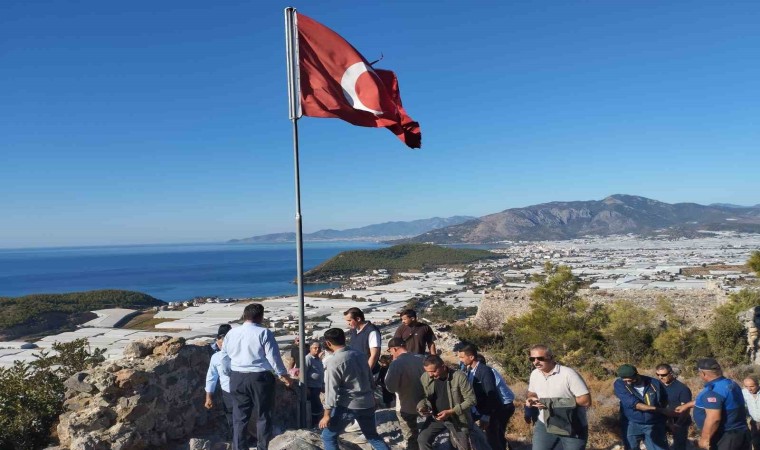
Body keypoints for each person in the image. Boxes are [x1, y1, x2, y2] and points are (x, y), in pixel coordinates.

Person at [221, 303, 292, 450]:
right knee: (263, 415)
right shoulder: (264, 333)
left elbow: (225, 357)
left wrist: (229, 373)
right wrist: (283, 375)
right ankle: (262, 447)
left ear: (244, 315)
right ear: (261, 316)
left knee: (239, 417)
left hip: (237, 377)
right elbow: (273, 358)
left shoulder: (231, 333)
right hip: (260, 377)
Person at [319, 328, 389, 450]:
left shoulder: (334, 362)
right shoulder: (359, 354)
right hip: (367, 402)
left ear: (328, 343)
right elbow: (369, 377)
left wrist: (327, 414)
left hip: (348, 405)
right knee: (372, 436)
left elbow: (331, 390)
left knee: (328, 436)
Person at [526, 344, 591, 450]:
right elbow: (531, 393)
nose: (536, 362)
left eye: (540, 358)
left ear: (551, 357)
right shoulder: (535, 374)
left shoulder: (568, 374)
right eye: (532, 359)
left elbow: (585, 400)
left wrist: (552, 403)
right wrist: (531, 399)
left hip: (571, 425)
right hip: (545, 424)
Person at [675, 358, 750, 450]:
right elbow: (719, 403)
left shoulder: (713, 391)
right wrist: (687, 405)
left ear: (703, 373)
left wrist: (704, 439)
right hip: (741, 432)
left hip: (725, 437)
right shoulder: (730, 384)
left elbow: (714, 419)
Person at [417, 354, 478, 450]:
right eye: (427, 371)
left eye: (433, 371)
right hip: (436, 418)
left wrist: (450, 412)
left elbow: (471, 400)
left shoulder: (459, 377)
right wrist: (421, 407)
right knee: (422, 439)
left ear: (443, 366)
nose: (430, 375)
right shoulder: (425, 377)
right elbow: (424, 396)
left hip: (457, 419)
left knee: (462, 446)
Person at [457, 344, 506, 450]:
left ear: (471, 357)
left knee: (493, 440)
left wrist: (486, 416)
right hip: (478, 410)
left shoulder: (485, 371)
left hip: (490, 411)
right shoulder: (470, 370)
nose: (460, 360)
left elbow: (491, 394)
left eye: (462, 357)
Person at [613, 364, 670, 450]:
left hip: (653, 423)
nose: (628, 382)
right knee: (631, 447)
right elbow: (634, 404)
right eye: (625, 380)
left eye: (629, 380)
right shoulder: (620, 384)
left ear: (636, 375)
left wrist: (664, 419)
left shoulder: (654, 383)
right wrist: (659, 410)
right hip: (632, 423)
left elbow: (664, 400)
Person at [384, 337, 425, 450]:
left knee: (410, 435)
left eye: (390, 351)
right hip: (424, 402)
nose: (391, 353)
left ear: (394, 349)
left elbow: (391, 387)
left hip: (405, 404)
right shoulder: (421, 358)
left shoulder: (396, 363)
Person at [480, 354, 516, 450]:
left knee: (494, 432)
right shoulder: (490, 371)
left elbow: (491, 393)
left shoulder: (487, 373)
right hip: (505, 403)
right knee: (498, 432)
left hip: (503, 405)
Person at [204, 325, 233, 438]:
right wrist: (208, 397)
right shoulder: (216, 357)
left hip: (243, 390)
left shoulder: (240, 353)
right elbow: (211, 377)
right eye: (220, 340)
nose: (221, 344)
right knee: (232, 418)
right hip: (228, 392)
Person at [655, 364, 692, 450]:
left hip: (679, 421)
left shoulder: (682, 389)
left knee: (679, 446)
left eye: (663, 375)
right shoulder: (657, 386)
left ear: (671, 373)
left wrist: (677, 424)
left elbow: (686, 409)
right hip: (662, 420)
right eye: (658, 375)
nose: (660, 377)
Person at [344, 307, 382, 372]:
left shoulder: (372, 332)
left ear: (358, 319)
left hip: (369, 373)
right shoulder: (354, 331)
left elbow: (374, 355)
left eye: (349, 320)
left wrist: (366, 373)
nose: (348, 323)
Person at [305, 341, 325, 428]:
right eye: (315, 348)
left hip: (317, 386)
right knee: (316, 406)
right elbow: (303, 373)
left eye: (319, 348)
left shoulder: (318, 359)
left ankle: (317, 423)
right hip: (311, 387)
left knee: (317, 405)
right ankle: (315, 424)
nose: (317, 349)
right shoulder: (308, 358)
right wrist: (305, 387)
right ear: (310, 349)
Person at [743, 376, 760, 450]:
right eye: (746, 386)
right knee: (756, 443)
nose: (749, 389)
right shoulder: (744, 392)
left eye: (752, 386)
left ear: (757, 385)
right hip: (754, 423)